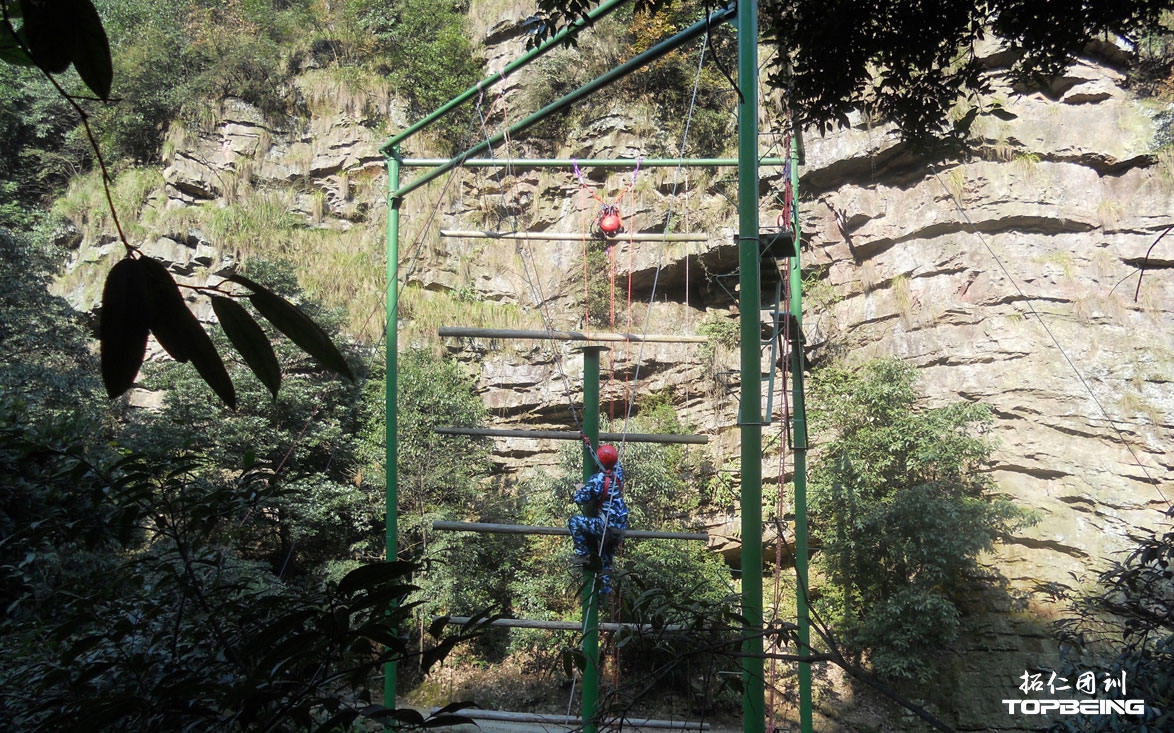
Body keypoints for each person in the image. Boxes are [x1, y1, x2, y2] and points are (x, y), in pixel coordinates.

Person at [567, 437, 629, 595]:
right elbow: (611, 462)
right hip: (619, 527)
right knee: (606, 563)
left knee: (574, 522)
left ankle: (583, 555)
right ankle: (605, 595)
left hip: (605, 526)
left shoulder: (597, 480)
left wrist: (580, 489)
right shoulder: (619, 472)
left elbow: (580, 499)